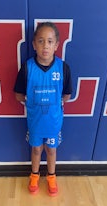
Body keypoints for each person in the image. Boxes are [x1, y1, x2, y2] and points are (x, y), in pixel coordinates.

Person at [14, 22, 72, 196]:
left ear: (56, 45)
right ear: (34, 45)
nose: (45, 45)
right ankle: (34, 174)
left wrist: (52, 103)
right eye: (40, 41)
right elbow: (18, 95)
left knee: (52, 149)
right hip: (35, 121)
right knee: (36, 149)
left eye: (49, 41)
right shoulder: (27, 68)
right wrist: (33, 103)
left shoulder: (63, 68)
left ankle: (52, 177)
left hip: (53, 120)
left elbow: (66, 95)